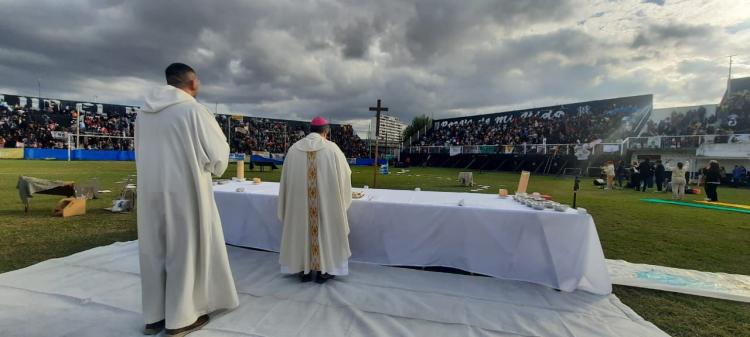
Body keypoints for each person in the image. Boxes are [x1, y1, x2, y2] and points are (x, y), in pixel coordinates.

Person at [135, 63, 239, 336]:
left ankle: (155, 316)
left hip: (151, 192)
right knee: (185, 250)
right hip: (185, 191)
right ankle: (182, 318)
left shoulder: (142, 114)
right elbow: (218, 159)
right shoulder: (193, 110)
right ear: (192, 83)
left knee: (154, 250)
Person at [278, 116, 352, 284]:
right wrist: (341, 201)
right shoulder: (333, 150)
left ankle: (302, 269)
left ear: (310, 130)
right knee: (326, 231)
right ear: (326, 132)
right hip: (326, 204)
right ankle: (323, 271)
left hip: (299, 205)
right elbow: (345, 176)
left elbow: (285, 180)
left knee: (301, 228)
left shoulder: (293, 149)